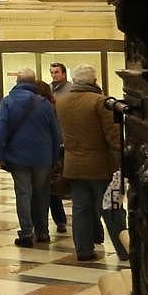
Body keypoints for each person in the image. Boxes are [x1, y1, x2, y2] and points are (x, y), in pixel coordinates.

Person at [56, 63, 122, 262]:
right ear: (94, 81)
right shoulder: (100, 102)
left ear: (75, 80)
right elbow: (113, 137)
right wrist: (120, 162)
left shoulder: (62, 102)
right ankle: (124, 249)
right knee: (111, 208)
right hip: (100, 165)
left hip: (73, 164)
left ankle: (83, 250)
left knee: (80, 208)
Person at [0, 69, 64, 248]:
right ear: (34, 83)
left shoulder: (8, 101)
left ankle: (26, 233)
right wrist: (55, 157)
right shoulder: (45, 103)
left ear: (17, 82)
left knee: (23, 193)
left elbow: (0, 129)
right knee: (42, 194)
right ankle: (43, 232)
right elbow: (56, 133)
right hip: (43, 157)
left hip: (18, 157)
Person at [46, 63, 70, 234]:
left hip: (66, 140)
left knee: (66, 179)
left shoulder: (70, 90)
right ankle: (60, 219)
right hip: (52, 141)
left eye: (57, 72)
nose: (54, 75)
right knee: (53, 181)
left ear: (63, 73)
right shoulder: (47, 90)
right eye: (52, 72)